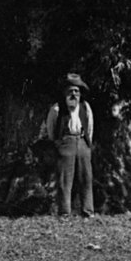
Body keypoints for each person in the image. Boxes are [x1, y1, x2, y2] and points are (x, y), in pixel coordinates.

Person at [39, 74, 95, 217]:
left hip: (82, 141)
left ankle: (88, 211)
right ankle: (64, 212)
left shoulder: (85, 106)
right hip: (65, 143)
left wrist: (87, 143)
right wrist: (58, 143)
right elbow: (50, 128)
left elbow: (90, 126)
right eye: (70, 91)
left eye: (76, 91)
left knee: (86, 178)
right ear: (65, 92)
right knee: (65, 179)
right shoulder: (57, 109)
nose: (73, 94)